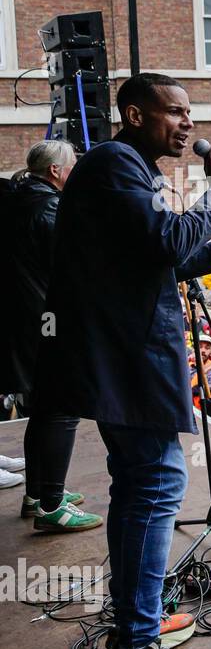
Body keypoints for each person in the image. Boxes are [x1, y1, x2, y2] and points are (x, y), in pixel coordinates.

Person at [38, 72, 211, 649]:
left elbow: (157, 259)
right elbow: (168, 240)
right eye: (175, 113)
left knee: (142, 487)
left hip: (126, 358)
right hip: (128, 360)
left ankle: (137, 614)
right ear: (135, 113)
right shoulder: (117, 164)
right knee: (155, 487)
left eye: (190, 113)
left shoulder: (123, 168)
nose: (188, 124)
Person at [1, 140, 99, 527]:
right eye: (73, 166)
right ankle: (51, 506)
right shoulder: (49, 207)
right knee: (62, 407)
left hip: (25, 321)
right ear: (56, 171)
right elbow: (76, 267)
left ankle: (36, 493)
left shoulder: (17, 198)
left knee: (42, 409)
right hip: (46, 321)